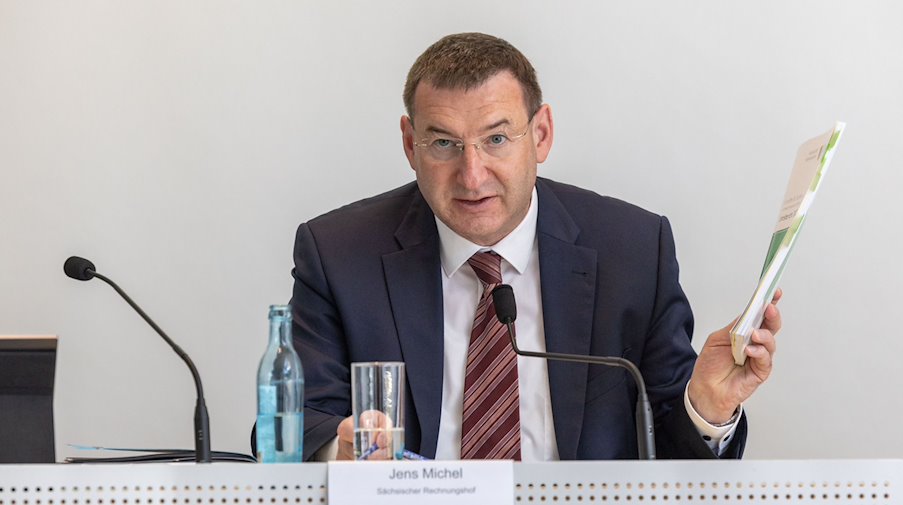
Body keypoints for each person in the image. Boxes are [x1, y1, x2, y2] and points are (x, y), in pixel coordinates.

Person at [289, 32, 781, 461]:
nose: (472, 174)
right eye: (443, 144)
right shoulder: (339, 254)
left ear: (541, 135)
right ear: (409, 143)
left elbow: (670, 457)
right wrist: (340, 451)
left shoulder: (631, 251)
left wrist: (708, 408)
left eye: (497, 138)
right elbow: (294, 426)